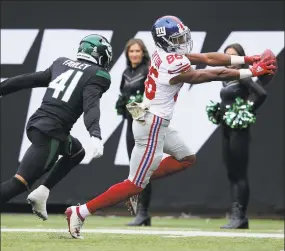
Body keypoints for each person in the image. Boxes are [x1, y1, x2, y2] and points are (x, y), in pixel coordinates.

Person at [65, 15, 276, 239]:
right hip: (152, 124)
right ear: (166, 41)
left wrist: (250, 58)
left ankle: (134, 183)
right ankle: (80, 211)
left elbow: (208, 58)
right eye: (177, 38)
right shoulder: (173, 63)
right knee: (135, 184)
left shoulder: (163, 53)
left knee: (186, 158)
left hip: (151, 118)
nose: (182, 40)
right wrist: (252, 71)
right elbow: (211, 73)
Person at [0, 34, 113, 221]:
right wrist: (95, 134)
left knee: (77, 152)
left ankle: (42, 192)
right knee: (19, 183)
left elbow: (28, 79)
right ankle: (38, 191)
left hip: (41, 125)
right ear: (99, 53)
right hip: (50, 133)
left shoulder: (62, 63)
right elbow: (91, 106)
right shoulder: (98, 75)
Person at [217, 43, 269, 229]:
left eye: (233, 56)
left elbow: (261, 94)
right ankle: (236, 215)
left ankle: (240, 216)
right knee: (231, 172)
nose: (230, 60)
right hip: (226, 128)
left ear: (241, 58)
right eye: (227, 57)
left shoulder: (244, 76)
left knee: (239, 173)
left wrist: (245, 111)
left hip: (239, 130)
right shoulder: (226, 77)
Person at [115, 38, 153, 226]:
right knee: (135, 167)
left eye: (138, 51)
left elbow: (153, 98)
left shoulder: (148, 71)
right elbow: (123, 97)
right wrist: (124, 108)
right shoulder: (125, 73)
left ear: (143, 52)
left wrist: (139, 112)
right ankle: (141, 213)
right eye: (131, 51)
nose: (135, 54)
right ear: (127, 54)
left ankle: (144, 212)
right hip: (130, 123)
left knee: (143, 168)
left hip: (144, 123)